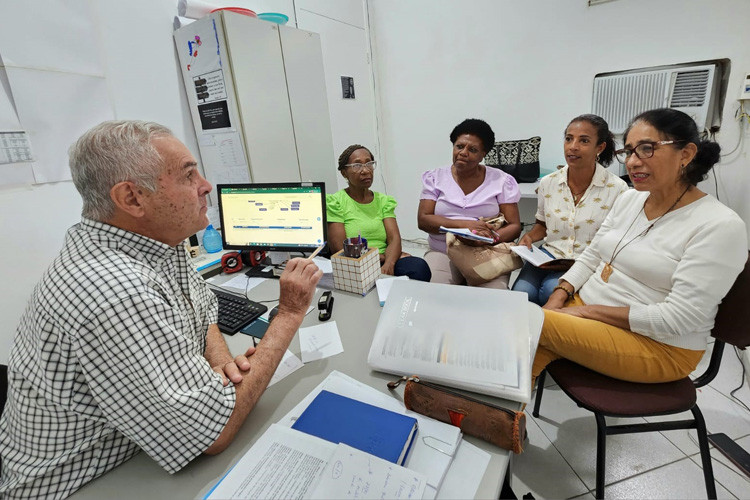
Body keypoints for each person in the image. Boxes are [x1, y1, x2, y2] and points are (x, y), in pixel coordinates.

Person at [0, 121, 322, 498]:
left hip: (133, 445)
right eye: (189, 176)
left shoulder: (158, 242)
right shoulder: (115, 290)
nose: (205, 186)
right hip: (77, 483)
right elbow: (212, 433)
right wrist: (287, 315)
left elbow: (202, 310)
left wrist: (219, 366)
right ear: (133, 198)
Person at [533, 108, 747, 387]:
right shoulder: (630, 199)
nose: (632, 162)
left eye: (647, 149)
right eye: (630, 151)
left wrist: (583, 312)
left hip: (659, 346)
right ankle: (494, 419)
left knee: (524, 322)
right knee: (519, 357)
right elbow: (593, 255)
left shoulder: (719, 225)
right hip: (590, 312)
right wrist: (560, 295)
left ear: (686, 154)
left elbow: (679, 319)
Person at [512, 114, 628, 305]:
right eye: (568, 139)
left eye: (584, 140)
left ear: (600, 147)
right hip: (548, 256)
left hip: (584, 261)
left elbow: (616, 240)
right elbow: (541, 225)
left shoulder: (617, 189)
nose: (573, 146)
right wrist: (530, 237)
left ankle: (548, 334)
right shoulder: (548, 183)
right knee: (520, 295)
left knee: (549, 292)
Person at [418, 118, 522, 288]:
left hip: (487, 251)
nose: (463, 153)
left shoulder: (501, 181)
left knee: (492, 299)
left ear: (484, 154)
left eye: (472, 149)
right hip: (443, 251)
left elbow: (514, 226)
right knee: (435, 294)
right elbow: (423, 220)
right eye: (459, 146)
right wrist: (466, 225)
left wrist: (487, 240)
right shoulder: (435, 178)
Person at [327, 144, 431, 281]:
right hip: (355, 262)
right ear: (344, 172)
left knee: (419, 267)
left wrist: (389, 263)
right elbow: (340, 249)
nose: (365, 170)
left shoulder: (383, 201)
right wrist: (381, 257)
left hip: (386, 260)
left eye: (369, 164)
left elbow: (394, 239)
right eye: (357, 165)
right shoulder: (336, 202)